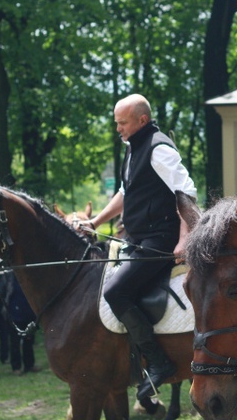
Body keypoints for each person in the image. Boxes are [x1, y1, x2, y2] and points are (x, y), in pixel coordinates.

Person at [82, 93, 197, 401]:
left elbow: (185, 189)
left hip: (159, 242)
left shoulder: (159, 147)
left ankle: (159, 363)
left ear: (141, 121)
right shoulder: (133, 148)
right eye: (117, 123)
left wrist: (185, 237)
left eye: (122, 123)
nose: (118, 129)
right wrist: (95, 223)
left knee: (115, 291)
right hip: (137, 239)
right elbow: (125, 192)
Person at [4, 273, 39, 375]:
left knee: (29, 341)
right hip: (14, 315)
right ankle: (16, 367)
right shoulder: (10, 278)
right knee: (15, 342)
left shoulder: (28, 279)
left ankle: (29, 364)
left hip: (28, 313)